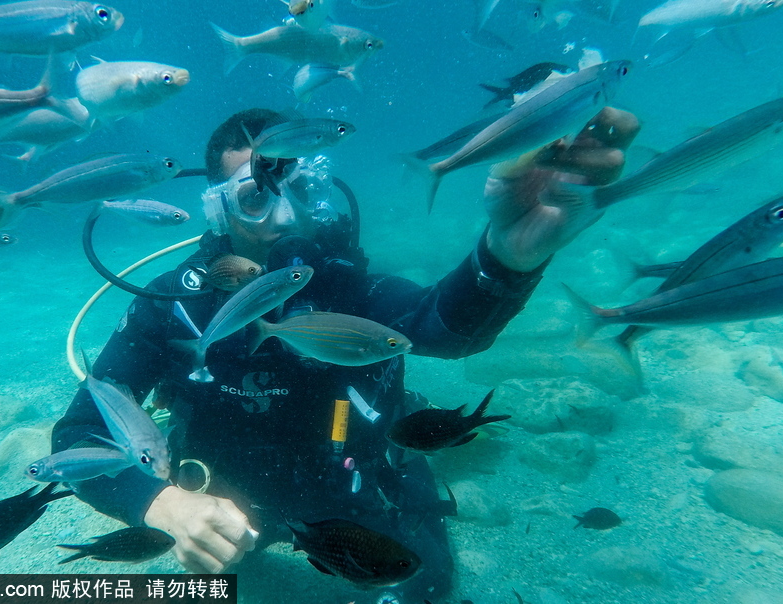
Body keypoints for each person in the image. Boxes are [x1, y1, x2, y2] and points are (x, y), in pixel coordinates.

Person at [53, 106, 639, 603]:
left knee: (425, 584)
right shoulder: (173, 307)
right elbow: (78, 433)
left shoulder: (350, 290)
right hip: (218, 496)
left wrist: (507, 255)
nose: (285, 215)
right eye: (257, 197)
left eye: (301, 189)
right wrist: (164, 503)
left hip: (352, 491)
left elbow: (445, 329)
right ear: (218, 209)